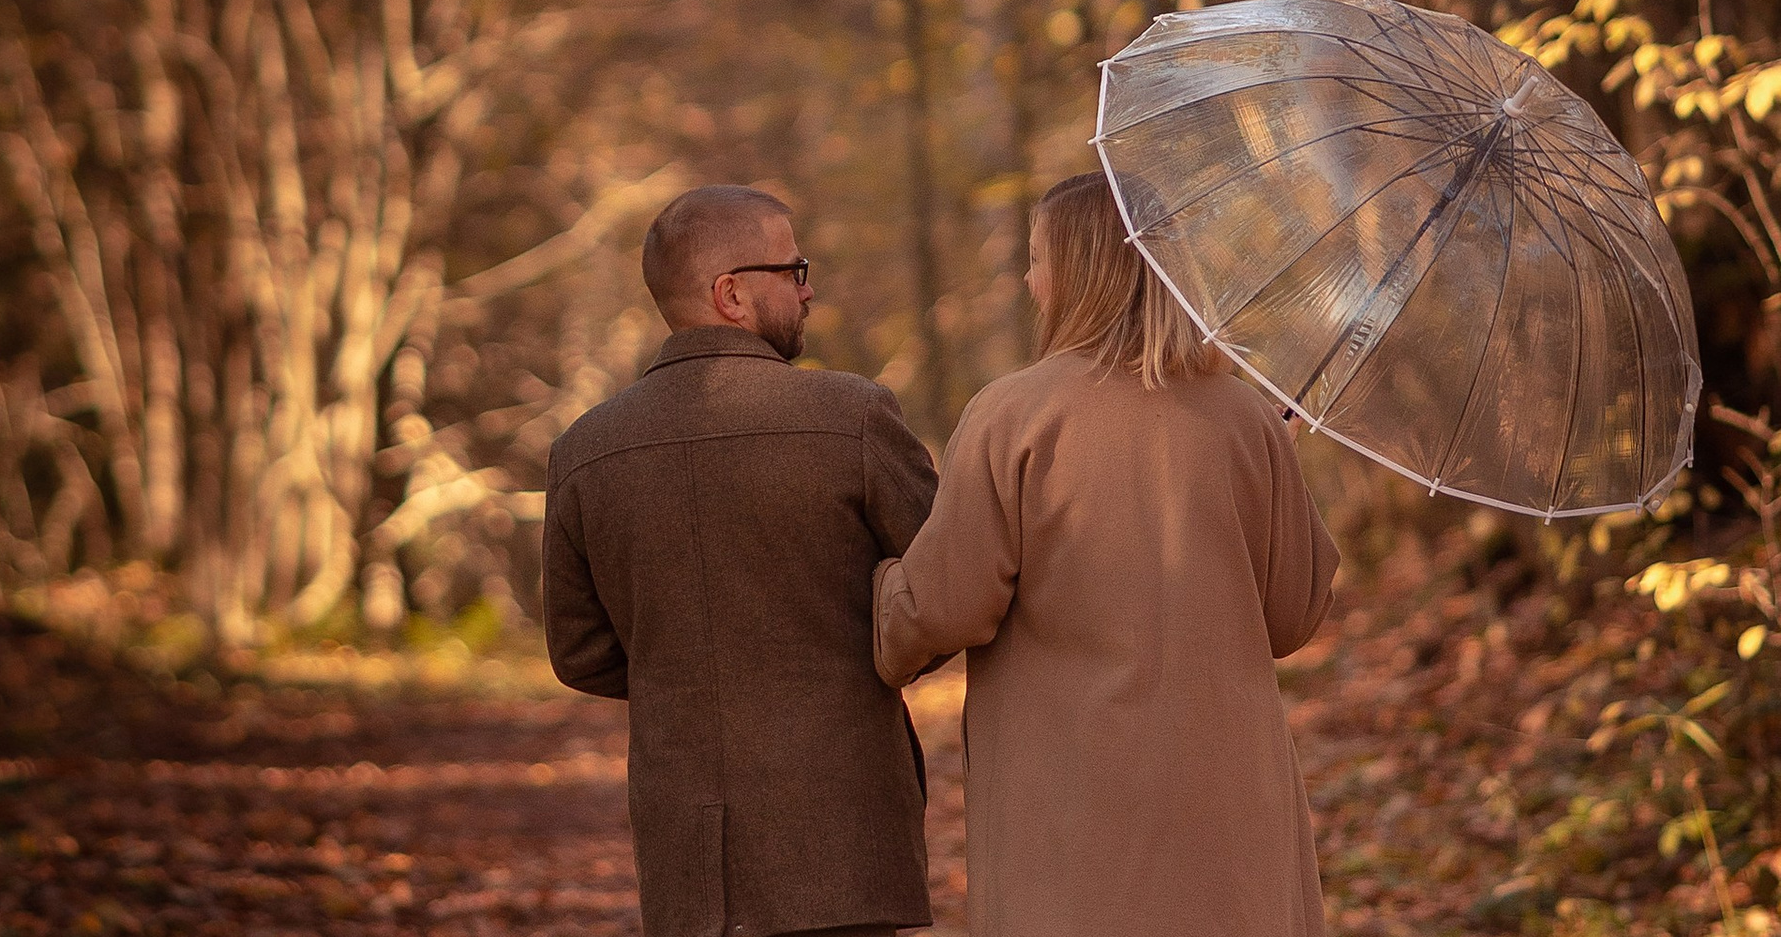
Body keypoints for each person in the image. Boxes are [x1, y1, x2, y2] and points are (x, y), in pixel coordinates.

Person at [872, 171, 1338, 937]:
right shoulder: (1244, 418)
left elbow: (942, 606)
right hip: (1228, 799)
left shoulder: (1013, 413)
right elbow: (1293, 616)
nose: (1028, 279)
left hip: (1072, 797)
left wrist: (884, 593)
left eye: (1036, 258)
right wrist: (1275, 463)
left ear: (1082, 271)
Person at [543, 183, 941, 937]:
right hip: (843, 829)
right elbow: (941, 588)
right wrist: (878, 654)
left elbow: (580, 652)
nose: (809, 288)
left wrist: (689, 677)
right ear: (730, 293)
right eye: (793, 271)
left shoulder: (583, 451)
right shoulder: (852, 417)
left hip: (685, 842)